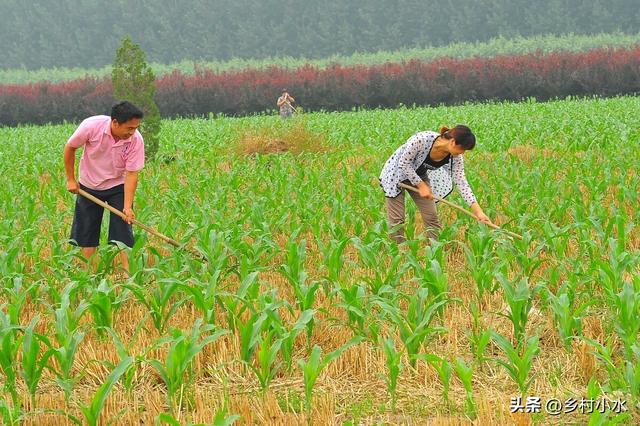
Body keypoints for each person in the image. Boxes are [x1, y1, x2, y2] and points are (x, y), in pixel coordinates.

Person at [63, 101, 145, 273]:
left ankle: (127, 273)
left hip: (117, 185)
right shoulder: (91, 126)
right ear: (115, 122)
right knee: (87, 229)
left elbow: (131, 174)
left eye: (136, 128)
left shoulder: (135, 140)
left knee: (123, 228)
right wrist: (71, 179)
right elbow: (70, 148)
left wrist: (127, 206)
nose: (133, 132)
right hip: (89, 184)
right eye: (129, 128)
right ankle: (89, 271)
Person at [379, 125, 491, 243]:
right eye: (462, 149)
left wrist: (478, 212)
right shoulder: (421, 140)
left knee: (431, 216)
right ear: (453, 142)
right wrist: (421, 185)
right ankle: (398, 252)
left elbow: (462, 182)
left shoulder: (455, 158)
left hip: (420, 176)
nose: (462, 153)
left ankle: (435, 249)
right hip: (396, 175)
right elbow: (404, 163)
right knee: (397, 220)